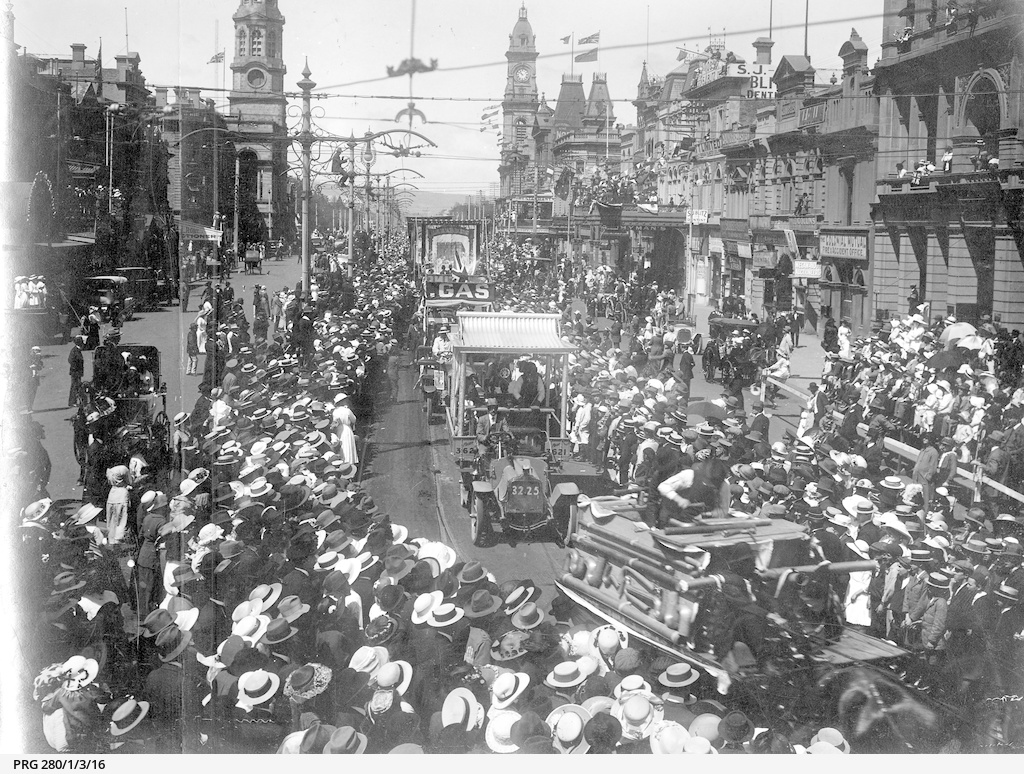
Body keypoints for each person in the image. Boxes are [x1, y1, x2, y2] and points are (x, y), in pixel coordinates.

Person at [68, 337, 85, 408]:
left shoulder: (77, 350)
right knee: (75, 386)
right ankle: (72, 402)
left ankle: (75, 401)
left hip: (77, 372)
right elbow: (70, 360)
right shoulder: (75, 351)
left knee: (76, 386)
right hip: (75, 372)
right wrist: (75, 368)